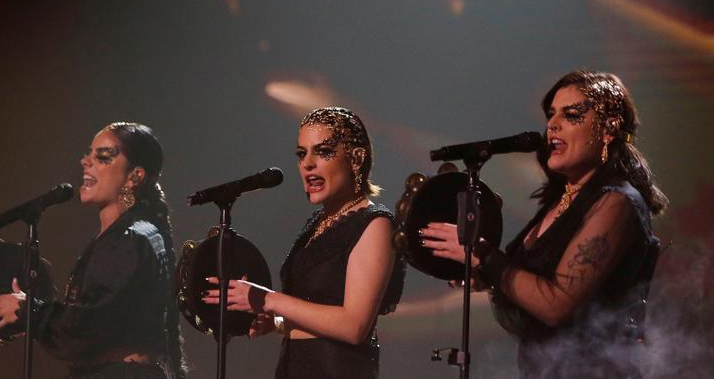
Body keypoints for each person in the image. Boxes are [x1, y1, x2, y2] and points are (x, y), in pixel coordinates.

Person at [421, 70, 667, 378]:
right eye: (551, 115)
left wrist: (485, 256)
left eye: (571, 114)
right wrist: (488, 277)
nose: (552, 124)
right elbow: (534, 291)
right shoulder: (561, 201)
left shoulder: (617, 203)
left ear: (609, 129)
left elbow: (556, 304)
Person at [0, 122, 187, 379]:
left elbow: (93, 324)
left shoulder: (132, 239)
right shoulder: (125, 235)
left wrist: (31, 311)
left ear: (135, 176)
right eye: (89, 154)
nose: (86, 161)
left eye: (103, 157)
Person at [205, 106, 405, 379]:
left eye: (322, 151)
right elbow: (316, 317)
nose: (308, 164)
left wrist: (267, 299)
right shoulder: (317, 224)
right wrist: (275, 324)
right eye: (302, 154)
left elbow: (354, 326)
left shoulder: (375, 225)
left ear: (356, 158)